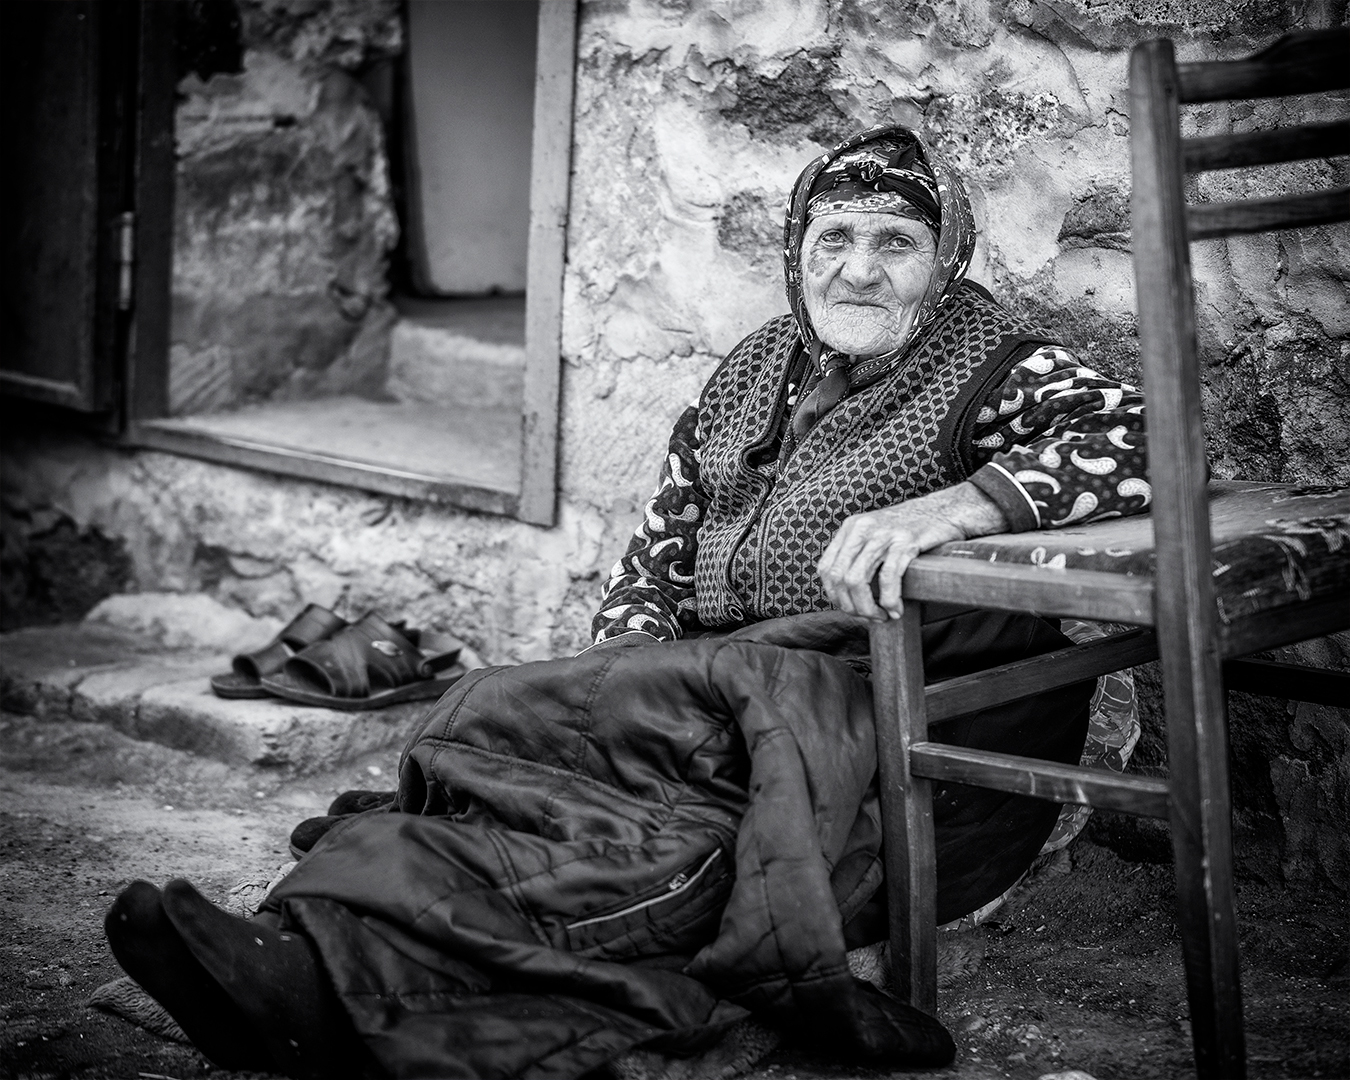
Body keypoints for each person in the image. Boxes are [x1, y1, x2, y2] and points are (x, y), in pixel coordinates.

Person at [102, 125, 1148, 1079]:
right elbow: (654, 562)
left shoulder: (991, 366)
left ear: (946, 259)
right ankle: (305, 945)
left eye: (895, 243)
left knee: (676, 846)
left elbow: (1142, 437)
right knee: (517, 747)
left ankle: (336, 987)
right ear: (797, 250)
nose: (858, 268)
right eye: (833, 237)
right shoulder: (754, 370)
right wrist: (612, 705)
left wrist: (956, 505)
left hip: (865, 728)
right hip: (713, 700)